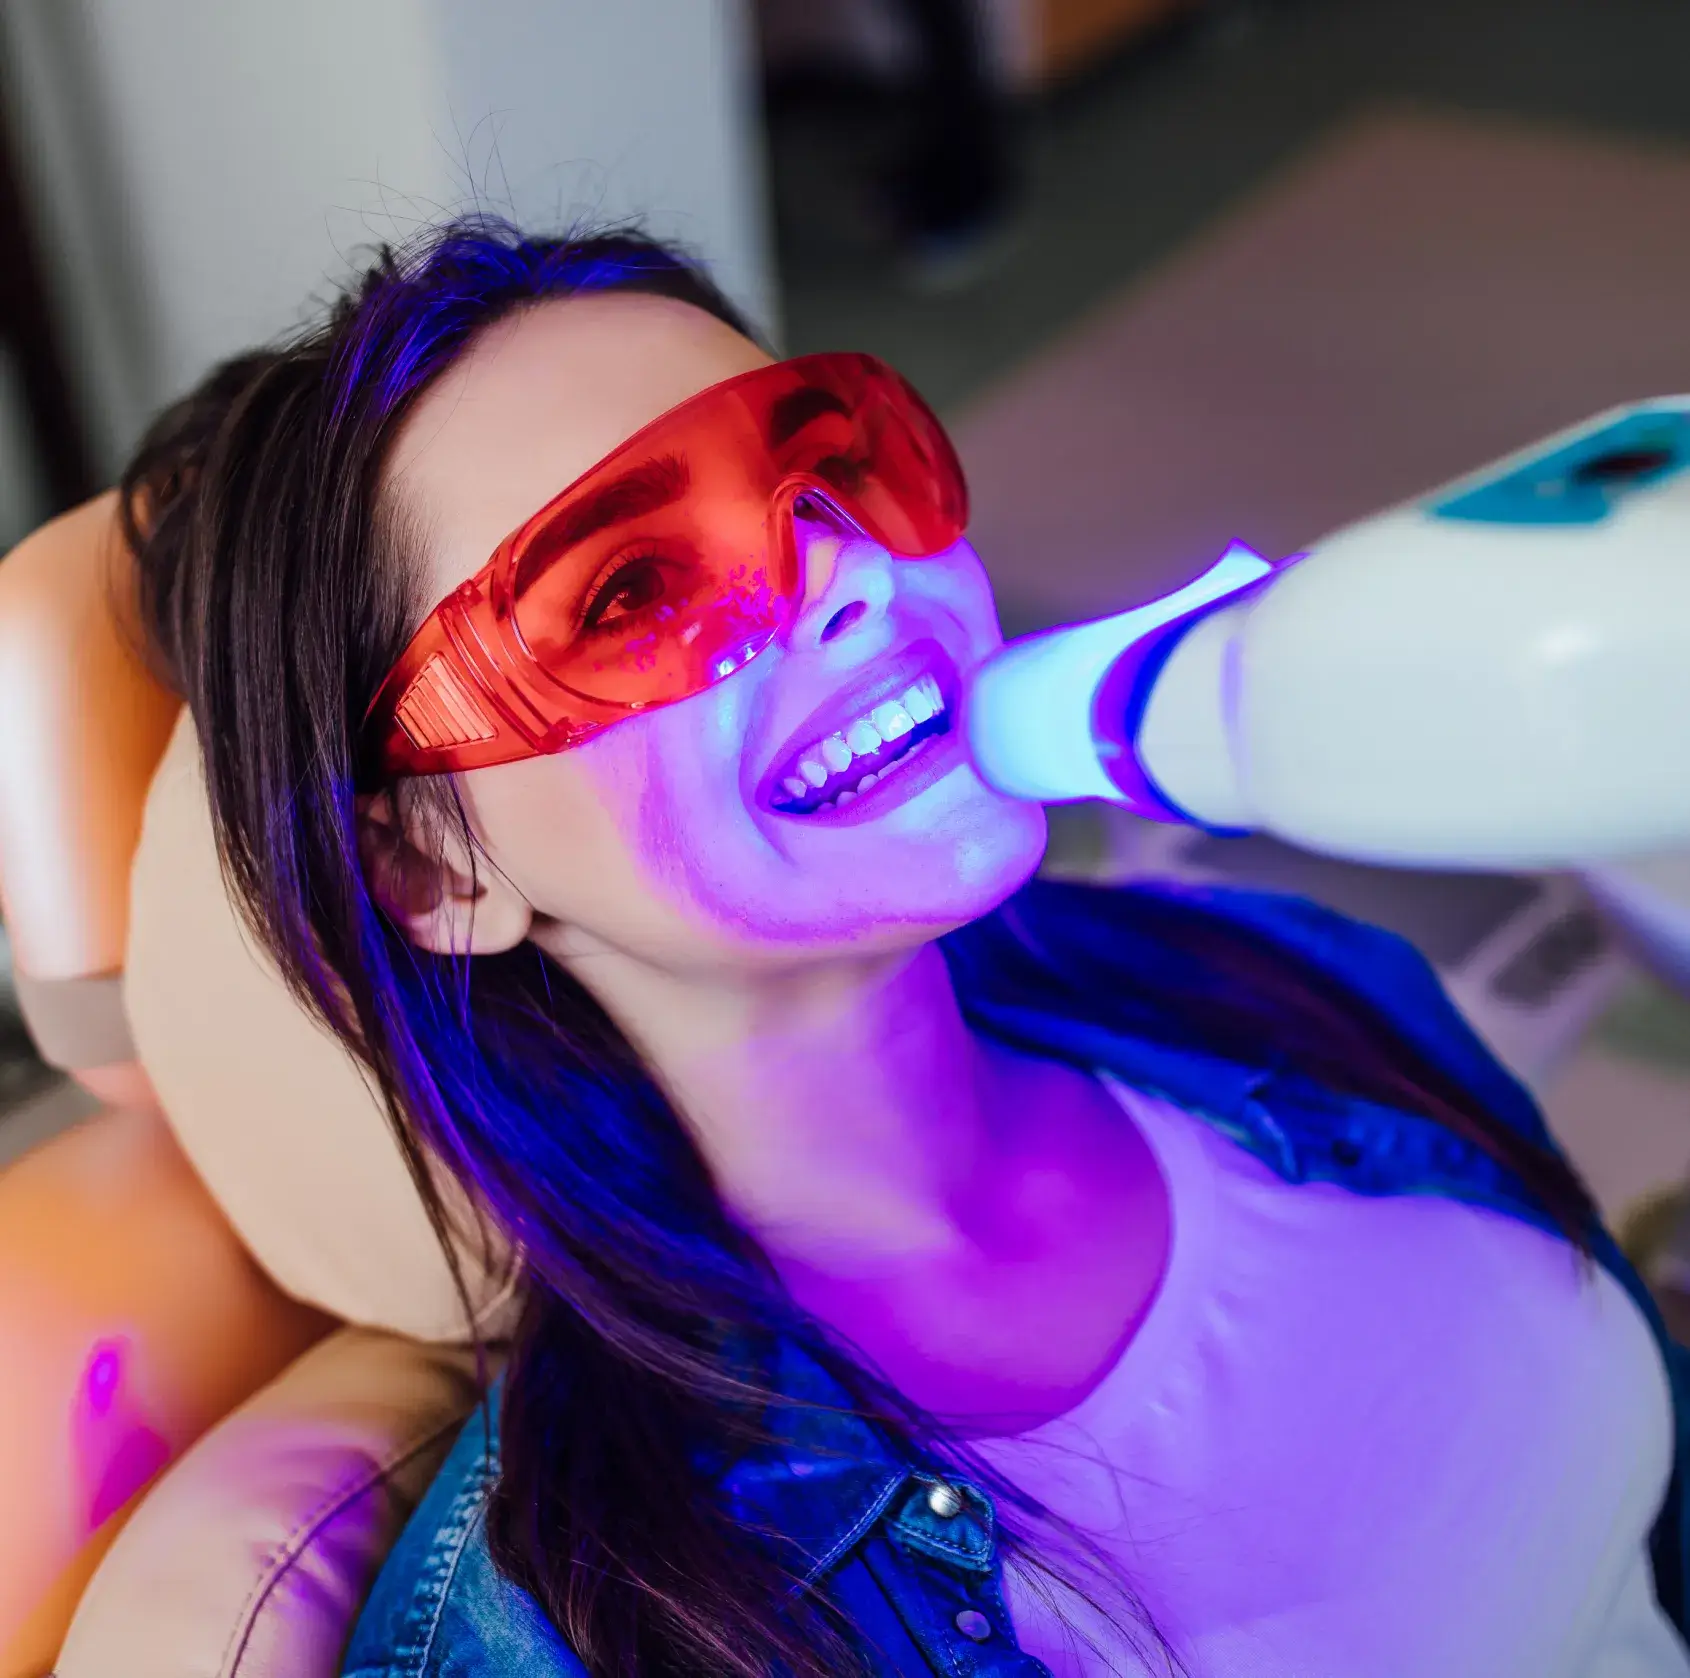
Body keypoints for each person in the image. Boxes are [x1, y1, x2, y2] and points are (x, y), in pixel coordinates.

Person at [120, 219, 1690, 1678]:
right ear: (429, 863)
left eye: (831, 473)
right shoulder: (601, 1628)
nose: (850, 575)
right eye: (632, 589)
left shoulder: (1289, 973)